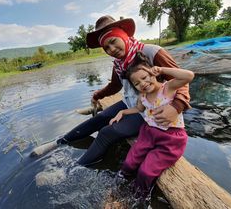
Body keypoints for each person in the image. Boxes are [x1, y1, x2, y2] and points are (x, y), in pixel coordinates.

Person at [56, 15, 191, 166]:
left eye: (113, 41)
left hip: (152, 110)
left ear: (123, 35)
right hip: (132, 104)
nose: (112, 49)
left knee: (106, 133)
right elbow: (115, 86)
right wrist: (97, 95)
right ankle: (60, 142)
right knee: (99, 119)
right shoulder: (119, 64)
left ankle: (77, 168)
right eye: (106, 47)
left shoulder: (152, 52)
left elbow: (182, 81)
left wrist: (176, 106)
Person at [110, 51, 194, 198]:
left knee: (146, 171)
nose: (142, 83)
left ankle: (139, 196)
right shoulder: (142, 96)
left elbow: (189, 76)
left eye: (145, 77)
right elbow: (138, 109)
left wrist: (162, 69)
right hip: (148, 133)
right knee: (129, 162)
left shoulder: (168, 88)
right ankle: (120, 183)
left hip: (171, 139)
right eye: (137, 83)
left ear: (153, 73)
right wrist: (122, 112)